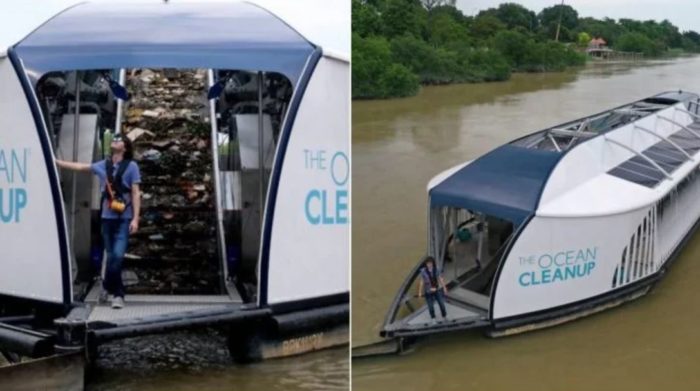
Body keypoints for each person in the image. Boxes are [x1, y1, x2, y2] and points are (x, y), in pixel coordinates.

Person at [56, 133, 141, 309]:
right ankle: (116, 292)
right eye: (114, 140)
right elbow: (81, 167)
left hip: (123, 218)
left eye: (119, 140)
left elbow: (135, 193)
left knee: (117, 256)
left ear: (125, 147)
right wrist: (57, 162)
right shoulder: (104, 165)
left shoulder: (132, 166)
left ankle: (115, 292)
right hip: (106, 218)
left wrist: (136, 218)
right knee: (110, 256)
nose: (115, 142)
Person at [417, 256, 448, 323]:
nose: (429, 265)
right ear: (426, 264)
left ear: (432, 263)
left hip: (436, 290)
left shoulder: (436, 269)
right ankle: (433, 318)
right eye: (428, 263)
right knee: (430, 307)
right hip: (428, 291)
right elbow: (422, 282)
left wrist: (444, 288)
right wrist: (419, 292)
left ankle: (444, 316)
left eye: (430, 263)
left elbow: (440, 279)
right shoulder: (423, 271)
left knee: (442, 304)